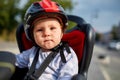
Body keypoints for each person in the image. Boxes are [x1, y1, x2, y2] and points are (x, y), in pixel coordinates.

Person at [15, 0, 78, 80]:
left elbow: (67, 76)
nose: (46, 33)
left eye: (52, 28)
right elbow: (15, 60)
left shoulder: (67, 55)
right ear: (32, 35)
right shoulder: (33, 52)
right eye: (40, 30)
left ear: (62, 32)